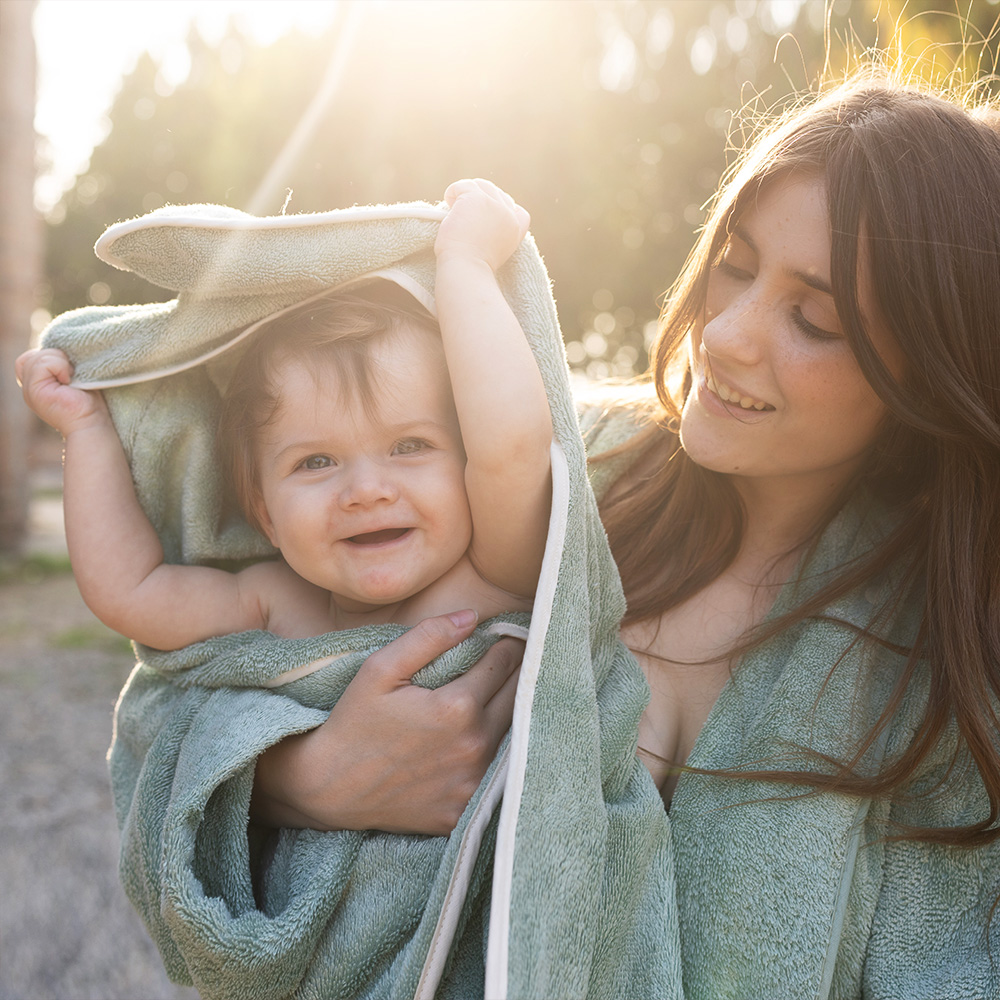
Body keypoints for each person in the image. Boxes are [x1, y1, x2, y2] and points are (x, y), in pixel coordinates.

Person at [250, 76, 1000, 994]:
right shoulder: (539, 468)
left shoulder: (942, 671)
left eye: (813, 319)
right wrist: (306, 779)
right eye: (733, 261)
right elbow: (188, 703)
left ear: (927, 378)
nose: (723, 334)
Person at [15, 180, 551, 650]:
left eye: (409, 446)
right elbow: (131, 591)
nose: (367, 490)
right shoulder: (280, 604)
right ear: (265, 513)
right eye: (316, 462)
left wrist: (466, 262)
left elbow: (513, 450)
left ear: (467, 467)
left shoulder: (494, 571)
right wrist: (85, 427)